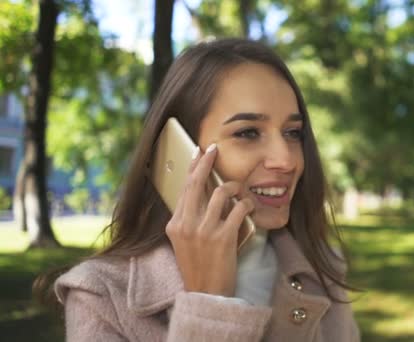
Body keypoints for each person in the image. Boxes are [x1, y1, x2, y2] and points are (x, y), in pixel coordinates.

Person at [51, 38, 360, 341]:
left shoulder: (322, 271)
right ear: (178, 149)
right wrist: (210, 305)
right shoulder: (100, 297)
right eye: (248, 132)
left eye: (293, 132)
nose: (286, 160)